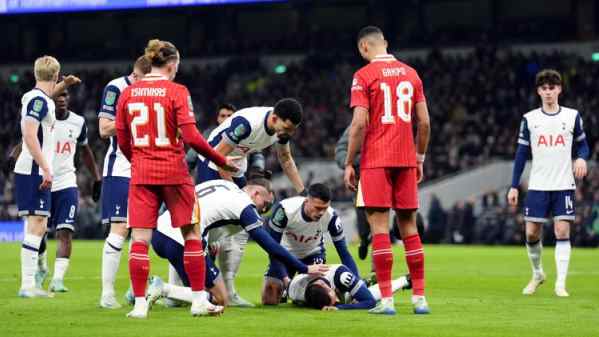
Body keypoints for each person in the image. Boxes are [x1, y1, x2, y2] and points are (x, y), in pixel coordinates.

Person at [115, 39, 240, 318]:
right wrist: (222, 159)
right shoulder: (178, 91)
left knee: (139, 240)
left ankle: (139, 305)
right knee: (191, 235)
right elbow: (193, 137)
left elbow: (123, 140)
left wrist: (139, 159)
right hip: (174, 172)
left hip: (142, 173)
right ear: (172, 65)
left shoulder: (129, 93)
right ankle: (198, 301)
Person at [344, 26, 431, 315]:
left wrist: (348, 162)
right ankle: (420, 299)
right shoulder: (411, 73)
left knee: (379, 228)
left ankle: (387, 301)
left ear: (363, 48)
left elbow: (358, 124)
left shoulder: (363, 76)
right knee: (410, 227)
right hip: (406, 159)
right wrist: (419, 157)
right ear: (386, 43)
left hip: (376, 160)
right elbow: (425, 123)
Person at [146, 178, 329, 307]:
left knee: (187, 296)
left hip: (162, 230)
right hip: (182, 240)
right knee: (220, 298)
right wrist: (303, 268)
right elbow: (269, 245)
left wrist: (208, 240)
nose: (263, 210)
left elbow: (203, 208)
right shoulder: (244, 206)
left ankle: (143, 292)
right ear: (256, 193)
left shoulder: (225, 185)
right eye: (264, 204)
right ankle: (162, 288)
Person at [195, 99, 305, 307]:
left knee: (242, 228)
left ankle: (230, 290)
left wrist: (303, 191)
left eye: (292, 130)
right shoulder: (247, 123)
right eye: (287, 128)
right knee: (203, 228)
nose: (288, 134)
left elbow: (286, 159)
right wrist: (234, 194)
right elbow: (219, 156)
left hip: (236, 165)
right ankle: (186, 286)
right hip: (213, 162)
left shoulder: (280, 130)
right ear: (274, 118)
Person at [508, 69, 589, 297]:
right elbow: (521, 154)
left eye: (552, 88)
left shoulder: (572, 116)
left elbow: (583, 144)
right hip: (538, 184)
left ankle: (560, 284)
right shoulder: (530, 119)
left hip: (564, 183)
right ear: (538, 92)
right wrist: (514, 185)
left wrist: (582, 157)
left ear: (559, 89)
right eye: (544, 89)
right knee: (532, 233)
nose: (548, 92)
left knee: (562, 231)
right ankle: (538, 274)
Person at [13, 55, 80, 298]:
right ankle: (28, 285)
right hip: (34, 169)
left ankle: (30, 284)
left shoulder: (37, 98)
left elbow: (45, 98)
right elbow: (30, 135)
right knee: (36, 226)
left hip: (32, 168)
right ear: (55, 75)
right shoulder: (40, 102)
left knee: (38, 226)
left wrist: (64, 85)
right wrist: (46, 167)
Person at [98, 56, 151, 309]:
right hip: (120, 167)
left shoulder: (154, 91)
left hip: (147, 168)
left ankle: (134, 290)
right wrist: (134, 121)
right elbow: (103, 128)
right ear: (139, 75)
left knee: (142, 231)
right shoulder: (116, 88)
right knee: (119, 230)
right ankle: (107, 294)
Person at [39, 89, 101, 292]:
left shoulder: (78, 122)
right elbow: (27, 139)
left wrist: (97, 177)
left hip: (66, 184)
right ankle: (41, 267)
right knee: (38, 232)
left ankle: (57, 280)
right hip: (42, 182)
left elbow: (85, 151)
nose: (62, 99)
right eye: (58, 95)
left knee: (65, 231)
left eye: (65, 95)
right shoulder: (41, 120)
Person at [261, 183, 359, 305]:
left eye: (325, 208)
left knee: (319, 295)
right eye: (318, 208)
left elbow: (344, 253)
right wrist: (285, 279)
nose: (321, 212)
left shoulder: (331, 217)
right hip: (285, 255)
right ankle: (289, 292)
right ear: (306, 201)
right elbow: (273, 248)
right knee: (269, 298)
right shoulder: (285, 210)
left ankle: (336, 292)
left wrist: (357, 287)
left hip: (313, 255)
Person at [287, 264, 410, 311]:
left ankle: (405, 280)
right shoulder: (294, 290)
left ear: (325, 286)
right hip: (339, 290)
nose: (337, 301)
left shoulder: (340, 274)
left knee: (360, 297)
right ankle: (364, 283)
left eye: (334, 298)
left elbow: (370, 302)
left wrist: (340, 307)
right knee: (350, 298)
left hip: (343, 283)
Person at [335, 125, 371, 260]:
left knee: (379, 224)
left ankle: (377, 270)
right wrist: (354, 163)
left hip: (384, 178)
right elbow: (340, 150)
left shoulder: (390, 120)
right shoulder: (358, 124)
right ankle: (364, 239)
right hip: (363, 180)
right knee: (363, 221)